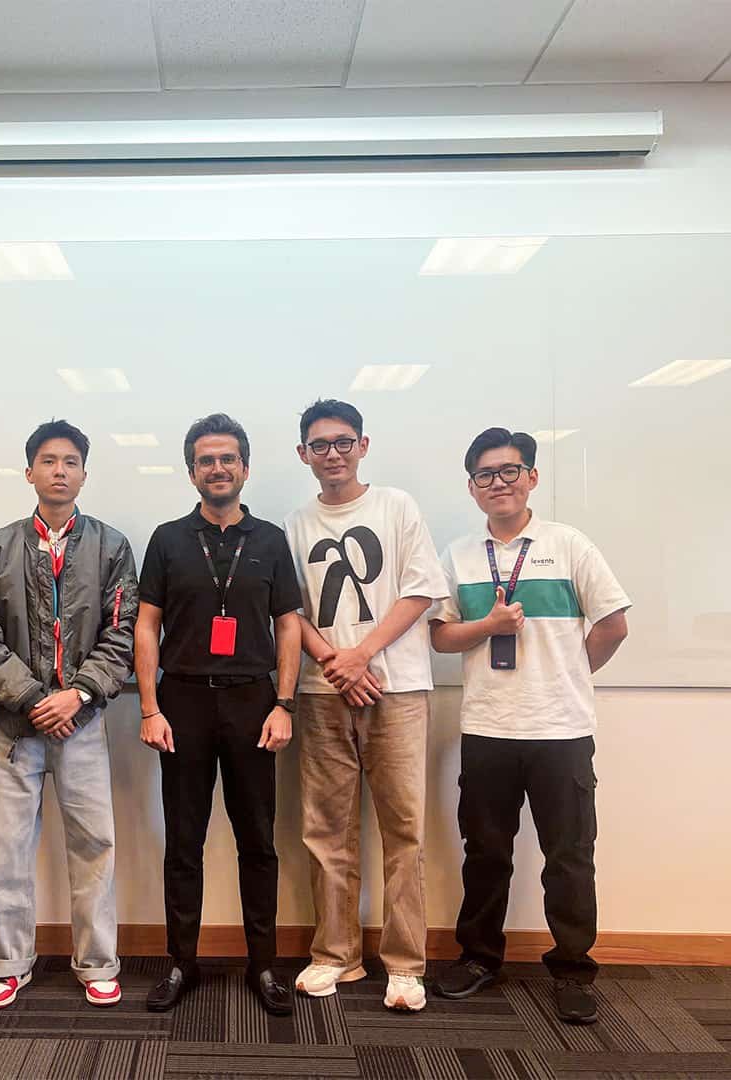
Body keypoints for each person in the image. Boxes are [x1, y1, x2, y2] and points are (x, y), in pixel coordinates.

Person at [429, 427, 630, 1025]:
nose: (499, 483)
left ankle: (572, 969)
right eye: (486, 475)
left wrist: (569, 673)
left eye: (510, 471)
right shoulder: (460, 553)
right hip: (488, 728)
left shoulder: (569, 545)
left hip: (560, 730)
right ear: (472, 487)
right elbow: (440, 636)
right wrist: (489, 627)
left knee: (569, 855)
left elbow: (613, 623)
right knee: (485, 852)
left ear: (532, 477)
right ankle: (479, 958)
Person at [0, 420, 138, 1010]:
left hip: (82, 721)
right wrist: (35, 699)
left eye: (70, 462)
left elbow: (124, 633)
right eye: (48, 460)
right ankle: (8, 962)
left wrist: (78, 695)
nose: (59, 470)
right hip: (16, 723)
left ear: (84, 473)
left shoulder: (112, 547)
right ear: (29, 470)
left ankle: (97, 962)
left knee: (95, 844)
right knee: (8, 846)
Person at [283, 399, 449, 1011]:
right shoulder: (295, 522)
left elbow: (421, 590)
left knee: (404, 829)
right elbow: (291, 611)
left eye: (343, 441)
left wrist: (363, 655)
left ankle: (406, 965)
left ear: (363, 445)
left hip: (398, 690)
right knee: (326, 831)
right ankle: (335, 956)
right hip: (323, 695)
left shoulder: (397, 506)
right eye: (320, 444)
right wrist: (335, 661)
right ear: (303, 454)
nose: (333, 453)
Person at [135, 413, 302, 1016]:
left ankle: (265, 966)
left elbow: (288, 626)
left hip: (254, 702)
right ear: (191, 473)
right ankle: (181, 962)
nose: (218, 468)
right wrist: (150, 706)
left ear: (245, 468)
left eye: (227, 458)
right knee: (184, 840)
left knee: (258, 840)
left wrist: (284, 703)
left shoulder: (271, 541)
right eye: (206, 460)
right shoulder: (167, 539)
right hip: (181, 702)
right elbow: (146, 625)